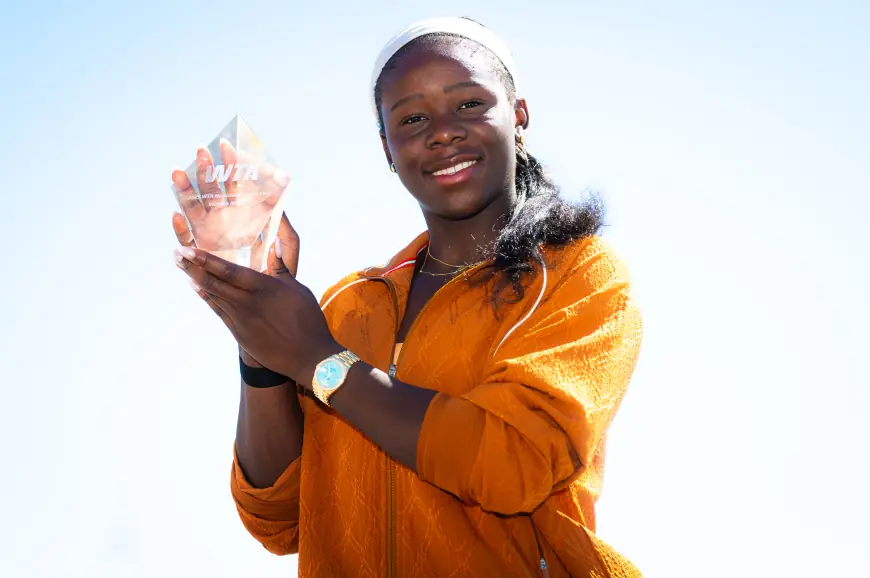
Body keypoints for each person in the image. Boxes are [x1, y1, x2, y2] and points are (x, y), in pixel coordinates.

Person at [172, 16, 644, 578]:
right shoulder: (348, 306)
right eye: (412, 117)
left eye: (469, 104)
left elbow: (512, 462)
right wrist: (262, 347)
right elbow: (277, 520)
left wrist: (317, 359)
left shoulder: (576, 274)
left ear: (518, 115)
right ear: (388, 148)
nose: (442, 131)